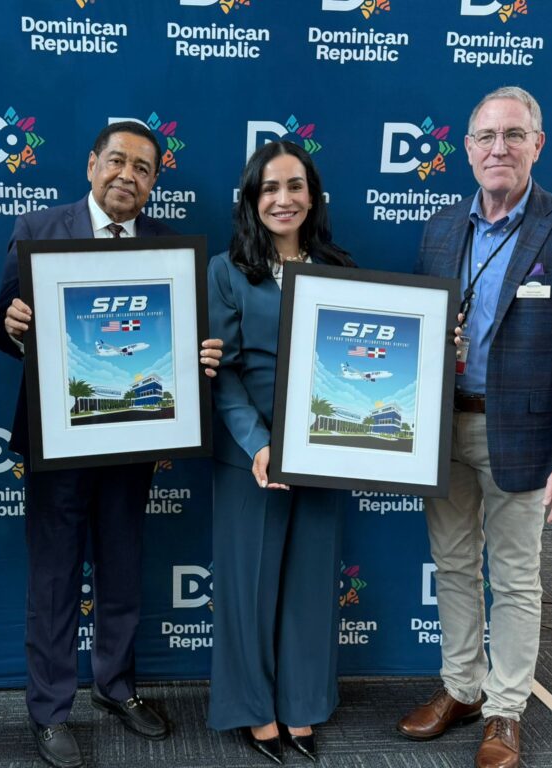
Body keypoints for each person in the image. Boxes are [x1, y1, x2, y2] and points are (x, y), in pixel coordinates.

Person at [0, 121, 222, 768]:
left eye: (143, 168)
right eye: (117, 161)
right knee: (54, 576)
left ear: (154, 182)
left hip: (134, 438)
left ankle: (116, 687)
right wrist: (11, 323)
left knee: (121, 567)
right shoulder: (39, 229)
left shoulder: (170, 247)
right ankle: (50, 710)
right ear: (92, 164)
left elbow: (181, 345)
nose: (128, 175)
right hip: (57, 438)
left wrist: (196, 365)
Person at [397, 87, 552, 768]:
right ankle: (462, 689)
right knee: (454, 566)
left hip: (523, 438)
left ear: (537, 145)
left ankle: (505, 709)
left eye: (514, 135)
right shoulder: (439, 229)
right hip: (442, 430)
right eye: (486, 136)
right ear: (467, 149)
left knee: (515, 579)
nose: (499, 148)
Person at [206, 140, 354, 764]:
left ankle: (302, 703)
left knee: (311, 584)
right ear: (252, 198)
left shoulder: (340, 268)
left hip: (324, 449)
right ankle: (253, 709)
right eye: (269, 187)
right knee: (249, 585)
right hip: (251, 455)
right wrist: (258, 443)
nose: (283, 199)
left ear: (312, 197)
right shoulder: (225, 271)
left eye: (295, 186)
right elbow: (224, 372)